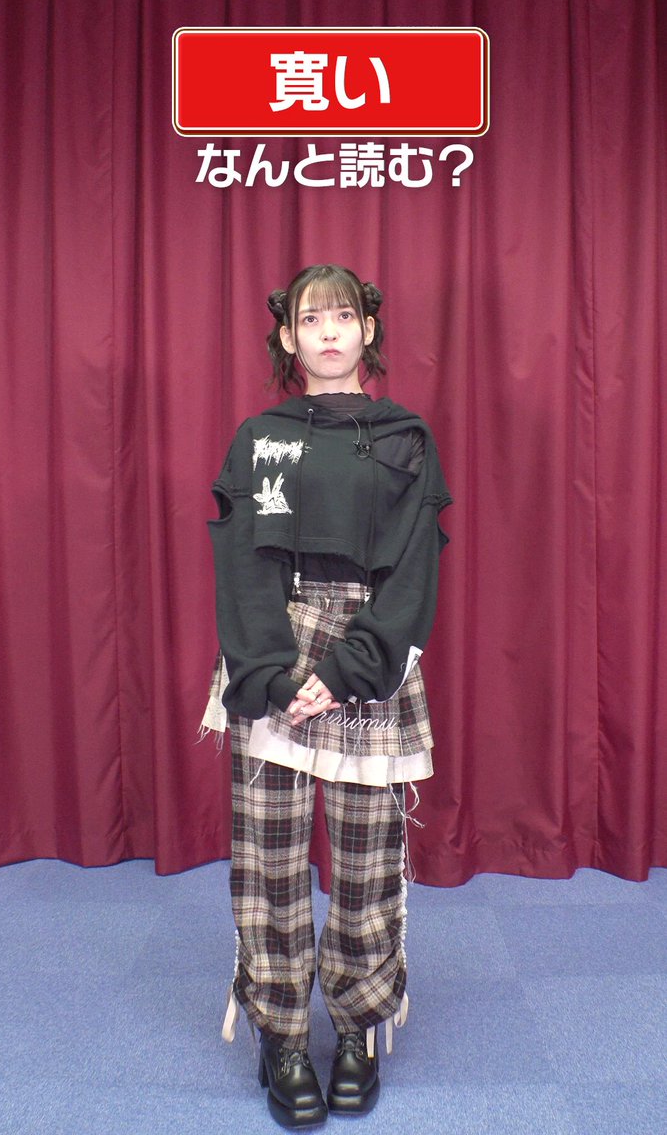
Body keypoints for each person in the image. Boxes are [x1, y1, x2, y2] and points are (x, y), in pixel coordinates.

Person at [202, 264, 452, 1129]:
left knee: (365, 859)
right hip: (270, 648)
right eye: (312, 320)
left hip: (366, 657)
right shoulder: (261, 437)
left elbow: (414, 566)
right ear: (288, 337)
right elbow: (244, 560)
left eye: (343, 316)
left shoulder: (404, 436)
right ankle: (279, 1033)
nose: (330, 331)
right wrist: (272, 674)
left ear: (367, 330)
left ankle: (355, 1028)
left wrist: (346, 671)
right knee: (268, 860)